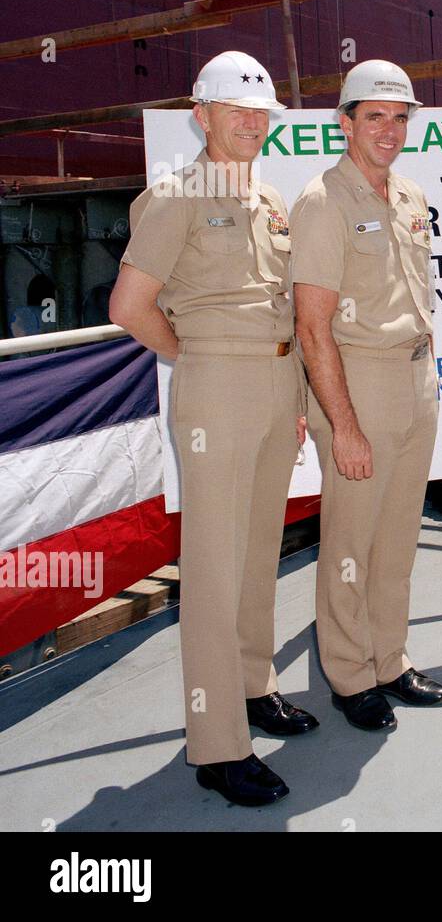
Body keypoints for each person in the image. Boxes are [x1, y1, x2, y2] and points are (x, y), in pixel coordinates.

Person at [109, 50, 316, 807]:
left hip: (273, 383)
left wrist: (293, 397)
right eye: (238, 112)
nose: (253, 125)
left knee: (260, 551)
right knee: (215, 570)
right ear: (202, 116)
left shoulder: (267, 197)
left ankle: (254, 687)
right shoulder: (177, 196)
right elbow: (130, 306)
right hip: (217, 388)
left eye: (262, 115)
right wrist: (193, 356)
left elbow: (283, 308)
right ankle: (217, 743)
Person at [291, 60, 442, 732]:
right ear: (346, 123)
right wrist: (344, 425)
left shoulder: (408, 196)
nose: (388, 129)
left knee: (398, 539)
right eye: (374, 116)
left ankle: (391, 659)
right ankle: (350, 675)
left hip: (418, 379)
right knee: (352, 542)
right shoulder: (323, 203)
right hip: (359, 383)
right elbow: (311, 326)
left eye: (399, 116)